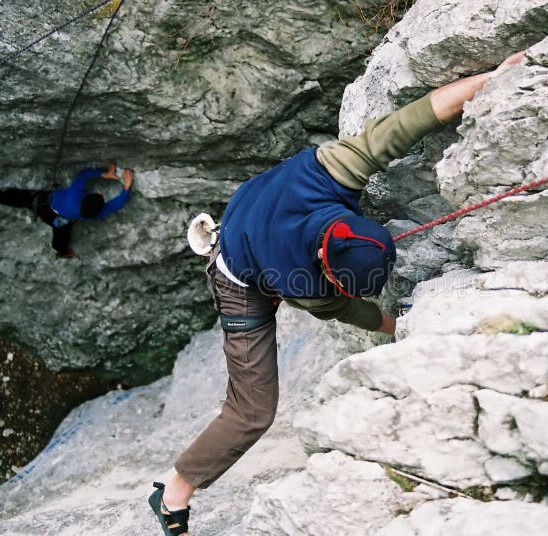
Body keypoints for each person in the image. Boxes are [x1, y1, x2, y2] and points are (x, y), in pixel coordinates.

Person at [148, 51, 525, 535]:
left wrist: (493, 78)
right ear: (327, 267)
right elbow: (353, 312)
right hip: (239, 277)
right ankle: (174, 492)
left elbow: (420, 114)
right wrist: (399, 326)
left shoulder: (334, 168)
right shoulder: (300, 283)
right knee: (253, 411)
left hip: (257, 206)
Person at [0, 165, 134, 257]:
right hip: (59, 220)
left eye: (98, 195)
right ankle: (63, 252)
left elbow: (84, 175)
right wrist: (126, 188)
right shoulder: (95, 214)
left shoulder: (73, 196)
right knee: (60, 239)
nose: (100, 192)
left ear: (85, 199)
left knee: (11, 197)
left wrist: (103, 174)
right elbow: (115, 205)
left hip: (43, 202)